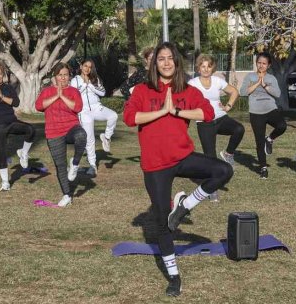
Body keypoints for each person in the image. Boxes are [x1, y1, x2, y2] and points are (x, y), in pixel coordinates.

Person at [123, 42, 232, 297]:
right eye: (161, 58)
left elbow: (207, 113)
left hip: (182, 156)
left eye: (170, 58)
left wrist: (179, 110)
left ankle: (183, 207)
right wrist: (162, 111)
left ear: (177, 62)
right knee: (161, 223)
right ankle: (174, 277)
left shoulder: (187, 89)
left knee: (223, 171)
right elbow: (130, 118)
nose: (166, 62)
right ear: (154, 63)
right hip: (155, 165)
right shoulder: (142, 90)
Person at [0, 60, 35, 191]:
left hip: (11, 122)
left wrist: (2, 97)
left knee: (31, 130)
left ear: (3, 74)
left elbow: (16, 103)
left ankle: (23, 153)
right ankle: (5, 182)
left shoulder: (8, 88)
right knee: (2, 153)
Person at [36, 62, 85, 207]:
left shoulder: (74, 91)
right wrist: (55, 95)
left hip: (71, 128)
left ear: (69, 76)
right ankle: (67, 195)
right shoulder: (47, 91)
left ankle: (75, 163)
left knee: (81, 136)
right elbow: (39, 106)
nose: (63, 78)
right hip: (53, 132)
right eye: (60, 75)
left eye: (65, 75)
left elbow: (77, 107)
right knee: (60, 165)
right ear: (55, 76)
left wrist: (62, 96)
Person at [187, 54, 243, 165]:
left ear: (213, 68)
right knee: (211, 160)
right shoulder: (192, 84)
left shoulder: (217, 81)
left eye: (209, 66)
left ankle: (228, 153)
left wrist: (228, 106)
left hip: (221, 118)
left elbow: (234, 92)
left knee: (239, 129)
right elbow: (186, 101)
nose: (206, 69)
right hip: (204, 123)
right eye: (203, 66)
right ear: (198, 68)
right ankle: (210, 181)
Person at [240, 52, 286, 179]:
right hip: (256, 112)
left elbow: (277, 94)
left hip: (271, 109)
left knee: (282, 126)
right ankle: (263, 168)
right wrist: (257, 83)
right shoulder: (250, 76)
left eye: (264, 63)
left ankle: (270, 139)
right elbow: (243, 92)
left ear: (268, 65)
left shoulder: (271, 78)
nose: (261, 65)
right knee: (259, 141)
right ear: (256, 63)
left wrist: (264, 85)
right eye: (259, 63)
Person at [70, 58, 118, 175]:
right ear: (81, 67)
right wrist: (83, 87)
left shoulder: (94, 79)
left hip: (97, 107)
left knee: (113, 116)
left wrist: (90, 86)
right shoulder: (75, 80)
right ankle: (92, 165)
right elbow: (72, 94)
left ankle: (106, 137)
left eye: (90, 67)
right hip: (84, 111)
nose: (87, 69)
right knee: (89, 139)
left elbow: (102, 92)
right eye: (85, 66)